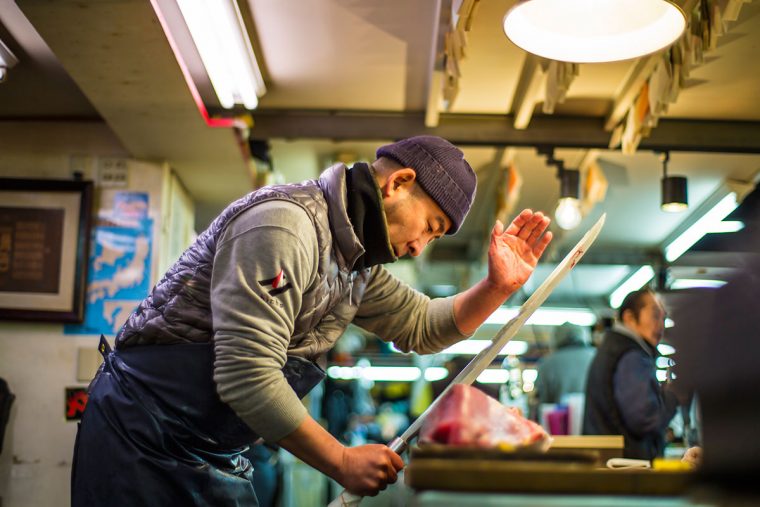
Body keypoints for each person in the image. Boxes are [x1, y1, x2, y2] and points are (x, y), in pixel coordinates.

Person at [71, 135, 553, 506]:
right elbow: (247, 374)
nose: (419, 248)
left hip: (209, 448)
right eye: (429, 228)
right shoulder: (286, 226)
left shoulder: (354, 263)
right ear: (399, 183)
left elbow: (423, 326)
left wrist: (497, 288)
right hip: (141, 439)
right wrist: (341, 460)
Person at [583, 288, 679, 460]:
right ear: (629, 318)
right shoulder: (631, 356)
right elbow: (644, 420)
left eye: (664, 318)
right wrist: (673, 396)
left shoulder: (614, 348)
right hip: (627, 469)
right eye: (655, 316)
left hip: (611, 465)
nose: (661, 326)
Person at [535, 322, 596, 405]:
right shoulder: (596, 357)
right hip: (593, 416)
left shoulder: (547, 363)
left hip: (559, 417)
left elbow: (543, 400)